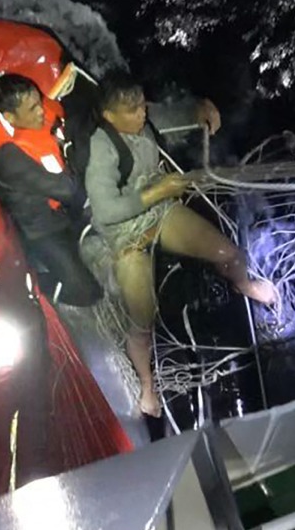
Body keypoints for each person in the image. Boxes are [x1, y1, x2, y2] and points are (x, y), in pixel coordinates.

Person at [85, 72, 276, 417]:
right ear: (109, 116)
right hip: (126, 238)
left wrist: (199, 109)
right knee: (142, 319)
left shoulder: (145, 118)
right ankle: (147, 385)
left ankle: (244, 284)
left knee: (229, 252)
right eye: (132, 110)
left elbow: (172, 114)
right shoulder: (101, 148)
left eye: (142, 105)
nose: (142, 113)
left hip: (160, 214)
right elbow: (106, 210)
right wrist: (157, 191)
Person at [0, 73, 102, 306]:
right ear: (9, 117)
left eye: (39, 102)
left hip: (64, 209)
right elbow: (68, 189)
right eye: (33, 109)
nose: (41, 112)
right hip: (43, 230)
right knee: (86, 294)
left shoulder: (32, 115)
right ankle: (40, 282)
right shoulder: (6, 158)